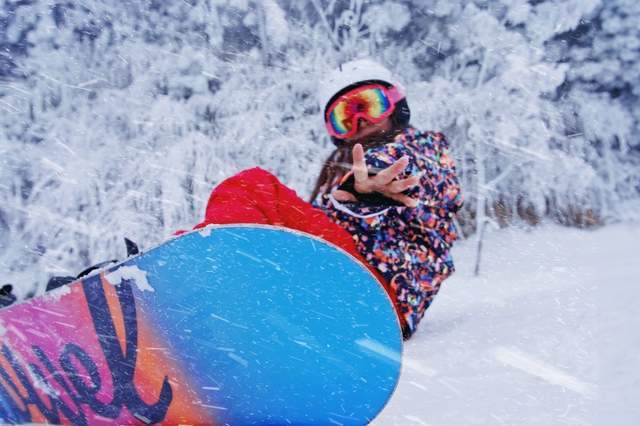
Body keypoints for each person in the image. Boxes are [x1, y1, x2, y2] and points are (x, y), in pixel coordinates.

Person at [184, 58, 463, 339]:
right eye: (345, 117)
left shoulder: (423, 148)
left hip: (374, 289)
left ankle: (218, 295)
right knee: (253, 231)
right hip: (353, 296)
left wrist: (364, 189)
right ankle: (173, 272)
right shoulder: (342, 179)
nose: (360, 120)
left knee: (252, 187)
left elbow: (407, 164)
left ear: (396, 105)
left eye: (369, 105)